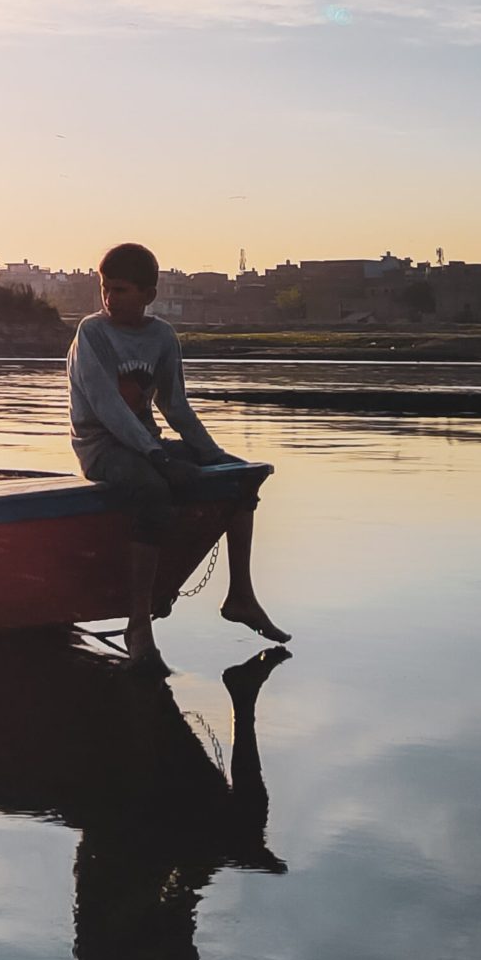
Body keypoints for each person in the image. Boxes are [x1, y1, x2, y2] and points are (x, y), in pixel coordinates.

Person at [69, 240, 288, 672]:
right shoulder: (93, 333)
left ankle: (240, 596)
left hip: (146, 445)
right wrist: (160, 458)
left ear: (149, 295)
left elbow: (176, 407)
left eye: (122, 290)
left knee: (238, 478)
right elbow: (107, 407)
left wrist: (218, 459)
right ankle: (138, 627)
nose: (110, 299)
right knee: (153, 491)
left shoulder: (161, 337)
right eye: (105, 288)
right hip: (102, 449)